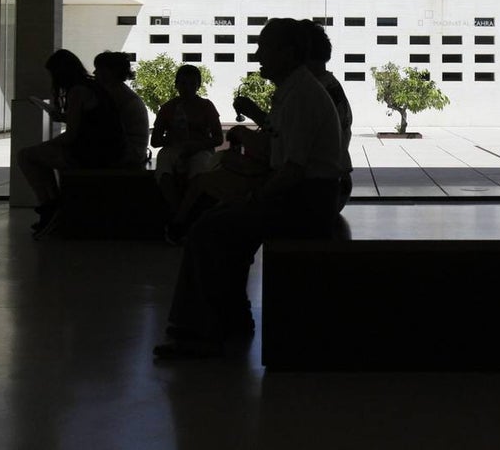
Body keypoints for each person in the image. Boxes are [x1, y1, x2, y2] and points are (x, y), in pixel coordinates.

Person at [154, 18, 343, 359]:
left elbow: (293, 170)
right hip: (302, 196)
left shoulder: (301, 95)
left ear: (287, 53)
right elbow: (280, 153)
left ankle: (202, 332)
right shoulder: (293, 90)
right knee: (221, 221)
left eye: (264, 48)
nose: (258, 55)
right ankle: (229, 318)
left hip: (306, 202)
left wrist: (254, 196)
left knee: (208, 230)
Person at [18, 49, 126, 236]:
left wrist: (48, 145)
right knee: (40, 155)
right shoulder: (90, 87)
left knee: (26, 156)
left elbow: (71, 135)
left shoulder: (77, 91)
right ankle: (53, 206)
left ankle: (49, 206)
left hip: (95, 154)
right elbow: (89, 122)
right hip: (108, 150)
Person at [151, 64, 224, 212]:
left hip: (200, 150)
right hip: (174, 149)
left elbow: (218, 138)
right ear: (176, 84)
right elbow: (155, 140)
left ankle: (179, 214)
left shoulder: (207, 106)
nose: (187, 88)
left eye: (192, 84)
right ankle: (180, 212)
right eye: (183, 83)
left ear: (198, 86)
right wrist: (175, 140)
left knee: (199, 169)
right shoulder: (167, 108)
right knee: (164, 166)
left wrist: (196, 145)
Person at [299, 19, 354, 210]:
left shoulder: (312, 93)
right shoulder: (329, 85)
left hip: (318, 192)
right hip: (334, 186)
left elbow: (295, 154)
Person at [93, 51, 150, 168]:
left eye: (99, 68)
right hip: (134, 153)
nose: (94, 72)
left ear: (111, 72)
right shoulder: (120, 92)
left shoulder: (115, 95)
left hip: (127, 155)